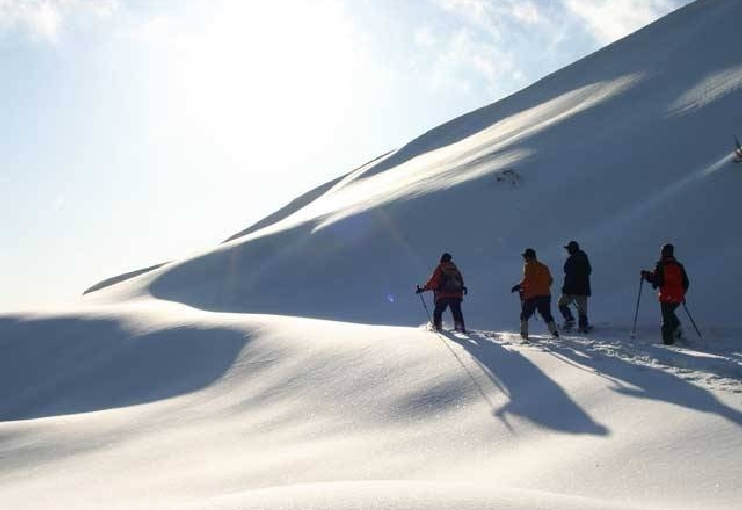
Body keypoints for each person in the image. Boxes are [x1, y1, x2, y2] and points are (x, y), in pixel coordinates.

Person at [641, 243, 689, 345]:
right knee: (669, 314)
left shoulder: (661, 266)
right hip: (677, 297)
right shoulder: (679, 266)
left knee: (666, 319)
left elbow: (656, 279)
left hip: (666, 297)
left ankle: (669, 343)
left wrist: (646, 275)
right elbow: (686, 283)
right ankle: (677, 330)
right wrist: (682, 294)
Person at [510, 248, 559, 340]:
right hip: (545, 295)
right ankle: (555, 333)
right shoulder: (544, 266)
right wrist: (542, 287)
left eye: (525, 257)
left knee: (525, 314)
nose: (525, 259)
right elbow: (550, 281)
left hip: (532, 295)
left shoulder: (528, 266)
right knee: (547, 314)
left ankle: (524, 335)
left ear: (529, 257)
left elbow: (528, 280)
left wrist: (519, 286)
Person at [417, 253, 468, 333]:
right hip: (457, 295)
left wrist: (424, 289)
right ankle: (460, 328)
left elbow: (434, 282)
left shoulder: (440, 269)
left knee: (438, 311)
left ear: (442, 259)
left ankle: (437, 327)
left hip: (443, 295)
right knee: (457, 311)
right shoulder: (456, 271)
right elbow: (461, 283)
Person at [557, 240, 592, 332]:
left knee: (561, 304)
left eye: (568, 249)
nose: (567, 251)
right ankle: (583, 326)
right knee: (582, 309)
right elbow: (589, 271)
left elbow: (568, 274)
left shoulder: (570, 260)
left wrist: (565, 288)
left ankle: (569, 320)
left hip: (571, 289)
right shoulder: (584, 257)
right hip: (584, 288)